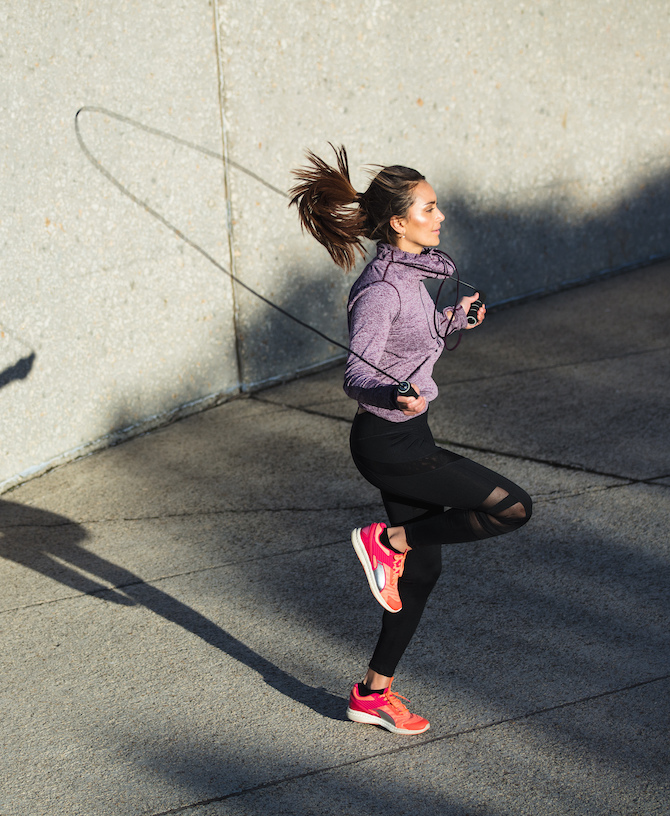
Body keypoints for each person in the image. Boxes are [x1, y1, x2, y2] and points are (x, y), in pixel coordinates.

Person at [289, 146, 532, 735]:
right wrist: (392, 393)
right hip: (389, 444)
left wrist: (453, 323)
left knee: (421, 577)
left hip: (407, 433)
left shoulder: (422, 274)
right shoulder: (381, 290)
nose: (440, 215)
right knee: (512, 507)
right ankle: (387, 539)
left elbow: (414, 344)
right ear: (399, 222)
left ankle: (373, 694)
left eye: (437, 204)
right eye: (429, 207)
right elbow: (358, 374)